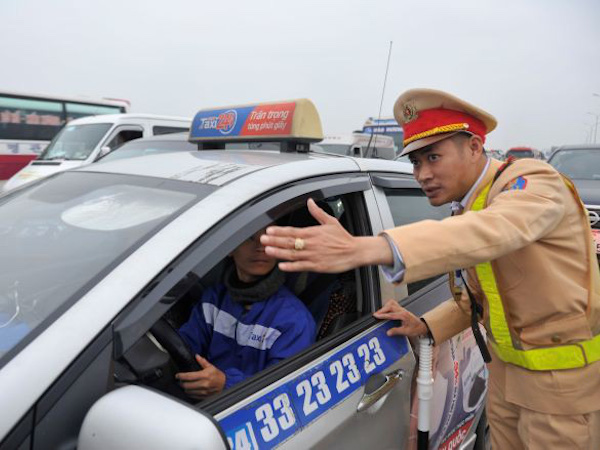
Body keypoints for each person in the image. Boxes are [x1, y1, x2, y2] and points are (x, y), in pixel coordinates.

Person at [260, 88, 600, 449]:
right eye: (416, 162)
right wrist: (424, 325)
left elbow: (489, 231)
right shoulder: (468, 206)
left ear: (474, 146)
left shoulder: (533, 182)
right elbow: (479, 302)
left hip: (562, 392)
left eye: (433, 157)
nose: (422, 174)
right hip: (505, 381)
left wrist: (366, 248)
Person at [176, 227, 316, 399]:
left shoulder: (294, 320)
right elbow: (184, 349)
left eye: (268, 238)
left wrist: (226, 385)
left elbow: (284, 392)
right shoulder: (213, 300)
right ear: (230, 248)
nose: (261, 247)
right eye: (249, 237)